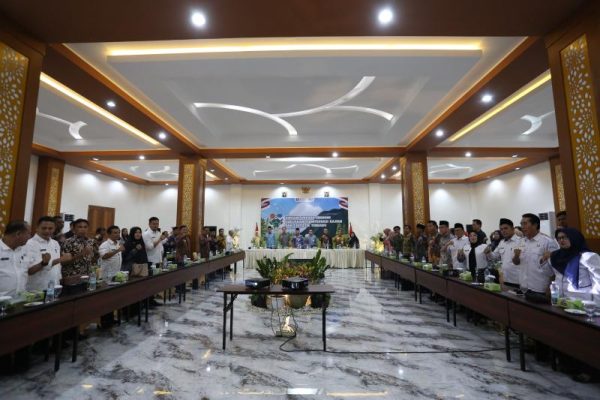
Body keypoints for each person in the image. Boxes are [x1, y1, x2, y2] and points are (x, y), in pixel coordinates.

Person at [548, 228, 600, 300]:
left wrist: (596, 303)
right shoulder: (555, 256)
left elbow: (598, 281)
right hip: (561, 300)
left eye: (564, 237)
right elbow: (555, 277)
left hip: (583, 300)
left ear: (574, 237)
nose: (561, 240)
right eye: (559, 238)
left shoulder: (588, 256)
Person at [513, 213, 559, 296]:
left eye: (525, 224)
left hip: (540, 288)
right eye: (521, 224)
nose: (522, 227)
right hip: (524, 287)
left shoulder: (547, 242)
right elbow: (516, 262)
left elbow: (556, 268)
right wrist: (516, 256)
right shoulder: (521, 242)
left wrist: (551, 287)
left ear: (535, 225)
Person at [25, 216, 72, 291]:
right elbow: (30, 270)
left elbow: (58, 266)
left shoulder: (55, 243)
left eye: (50, 228)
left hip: (55, 286)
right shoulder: (29, 244)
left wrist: (59, 278)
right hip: (37, 289)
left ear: (54, 229)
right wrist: (60, 259)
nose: (47, 231)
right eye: (44, 228)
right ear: (37, 228)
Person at [485, 218, 522, 289]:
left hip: (517, 281)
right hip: (504, 279)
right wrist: (489, 252)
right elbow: (494, 256)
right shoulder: (502, 242)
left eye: (506, 228)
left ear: (512, 228)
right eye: (501, 229)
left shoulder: (520, 241)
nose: (503, 231)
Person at [61, 218, 99, 283]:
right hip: (72, 277)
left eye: (85, 227)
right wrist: (81, 254)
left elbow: (93, 259)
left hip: (87, 276)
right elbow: (63, 262)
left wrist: (96, 254)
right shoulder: (68, 242)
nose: (83, 229)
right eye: (80, 227)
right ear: (74, 229)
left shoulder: (91, 241)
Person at [0, 221, 31, 297]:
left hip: (20, 299)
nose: (29, 237)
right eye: (28, 233)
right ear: (18, 234)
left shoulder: (25, 249)